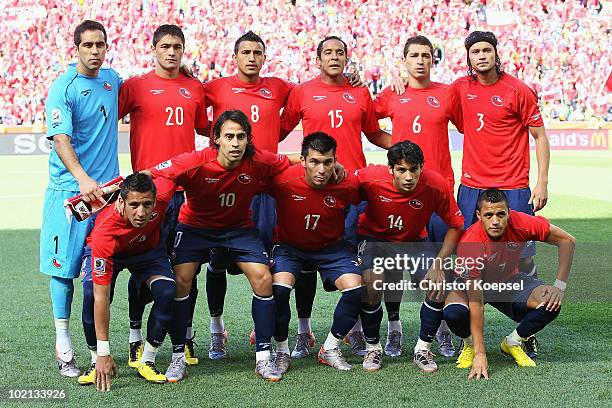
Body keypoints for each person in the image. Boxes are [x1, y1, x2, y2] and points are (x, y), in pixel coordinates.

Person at [203, 31, 363, 360]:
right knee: (217, 262)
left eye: (257, 52)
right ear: (234, 57)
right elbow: (190, 100)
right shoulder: (215, 87)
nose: (251, 57)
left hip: (264, 187)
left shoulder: (281, 88)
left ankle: (286, 328)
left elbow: (318, 88)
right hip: (226, 185)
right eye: (245, 52)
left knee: (272, 260)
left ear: (264, 57)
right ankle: (216, 330)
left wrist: (350, 77)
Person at [149, 109, 309, 382]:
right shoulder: (195, 161)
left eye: (241, 137)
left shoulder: (257, 159)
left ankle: (263, 358)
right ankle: (177, 357)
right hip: (196, 228)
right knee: (181, 280)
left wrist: (322, 164)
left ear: (248, 140)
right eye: (229, 136)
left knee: (263, 279)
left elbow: (289, 159)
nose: (235, 143)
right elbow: (151, 173)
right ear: (216, 139)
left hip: (238, 229)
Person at [279, 35, 392, 357]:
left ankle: (354, 332)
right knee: (305, 263)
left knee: (353, 262)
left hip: (351, 191)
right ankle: (304, 330)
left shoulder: (359, 91)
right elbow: (279, 132)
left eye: (339, 52)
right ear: (317, 59)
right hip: (313, 188)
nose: (334, 57)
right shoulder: (302, 91)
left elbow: (374, 133)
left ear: (346, 58)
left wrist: (407, 146)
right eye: (327, 52)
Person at [447, 30, 551, 358]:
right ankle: (463, 334)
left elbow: (540, 136)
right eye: (475, 50)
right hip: (472, 187)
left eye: (486, 50)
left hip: (513, 187)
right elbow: (430, 100)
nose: (481, 55)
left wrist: (542, 181)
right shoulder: (460, 89)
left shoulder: (517, 90)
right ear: (468, 57)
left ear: (496, 53)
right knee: (466, 258)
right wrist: (398, 79)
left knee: (523, 258)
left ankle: (525, 329)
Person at [118, 24, 208, 368]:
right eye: (166, 46)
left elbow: (203, 126)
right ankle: (134, 337)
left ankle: (182, 337)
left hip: (185, 194)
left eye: (178, 47)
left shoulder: (194, 87)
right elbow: (106, 108)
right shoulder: (135, 87)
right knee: (143, 268)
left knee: (186, 269)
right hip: (145, 197)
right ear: (153, 48)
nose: (172, 52)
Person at [373, 34, 463, 358]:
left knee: (441, 264)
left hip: (438, 192)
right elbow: (368, 124)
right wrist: (396, 147)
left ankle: (442, 330)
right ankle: (394, 329)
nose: (421, 60)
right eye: (415, 55)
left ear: (433, 60)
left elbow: (467, 126)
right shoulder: (393, 93)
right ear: (405, 60)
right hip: (401, 192)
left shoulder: (447, 94)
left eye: (426, 55)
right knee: (394, 264)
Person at [40, 20, 121, 377]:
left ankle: (100, 348)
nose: (94, 51)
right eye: (87, 45)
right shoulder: (63, 87)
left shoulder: (112, 80)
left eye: (99, 44)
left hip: (107, 196)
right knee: (64, 269)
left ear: (106, 47)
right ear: (76, 49)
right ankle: (63, 342)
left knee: (99, 274)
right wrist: (83, 178)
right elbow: (60, 139)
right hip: (70, 193)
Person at [356, 140, 464, 372]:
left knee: (437, 282)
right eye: (401, 170)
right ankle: (373, 347)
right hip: (376, 239)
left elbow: (456, 225)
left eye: (413, 169)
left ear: (421, 167)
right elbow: (342, 183)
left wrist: (439, 263)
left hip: (415, 240)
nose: (408, 176)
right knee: (372, 284)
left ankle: (423, 348)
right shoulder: (369, 177)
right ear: (390, 169)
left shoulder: (436, 185)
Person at [444, 189, 575, 379]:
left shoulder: (522, 223)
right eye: (489, 215)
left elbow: (567, 240)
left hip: (508, 282)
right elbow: (476, 303)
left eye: (500, 214)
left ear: (509, 213)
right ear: (479, 215)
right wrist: (481, 353)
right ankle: (470, 344)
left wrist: (559, 286)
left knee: (551, 302)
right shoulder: (470, 244)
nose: (495, 221)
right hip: (473, 286)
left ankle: (513, 342)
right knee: (454, 313)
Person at [268, 132, 362, 373]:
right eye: (314, 162)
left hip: (331, 249)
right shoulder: (282, 181)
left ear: (335, 161)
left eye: (327, 162)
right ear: (303, 160)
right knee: (278, 290)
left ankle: (329, 348)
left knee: (356, 289)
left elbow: (367, 197)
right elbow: (255, 168)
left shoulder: (346, 183)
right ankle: (281, 351)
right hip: (290, 248)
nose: (321, 169)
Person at [81, 174, 181, 390]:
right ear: (121, 202)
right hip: (111, 255)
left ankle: (147, 360)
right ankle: (94, 359)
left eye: (147, 204)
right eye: (134, 205)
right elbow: (101, 296)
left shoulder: (162, 198)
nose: (141, 212)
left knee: (167, 291)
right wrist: (104, 353)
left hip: (148, 253)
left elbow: (177, 167)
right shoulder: (105, 232)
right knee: (91, 294)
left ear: (155, 201)